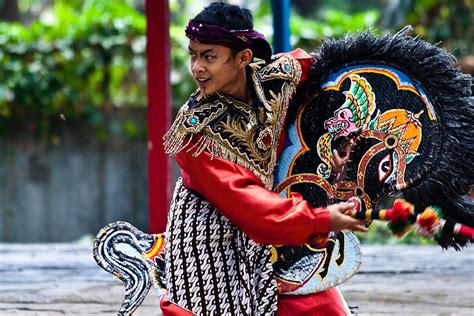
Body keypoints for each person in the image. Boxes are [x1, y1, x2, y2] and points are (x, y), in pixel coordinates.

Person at [161, 2, 367, 315]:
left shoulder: (279, 78)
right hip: (210, 244)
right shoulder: (195, 132)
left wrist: (341, 137)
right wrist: (322, 219)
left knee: (324, 308)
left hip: (277, 228)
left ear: (243, 58)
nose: (196, 67)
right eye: (193, 53)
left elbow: (334, 72)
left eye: (208, 56)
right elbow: (249, 205)